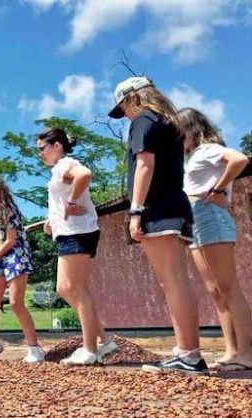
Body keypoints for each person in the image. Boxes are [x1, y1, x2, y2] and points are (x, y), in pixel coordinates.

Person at [108, 77, 207, 374]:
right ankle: (185, 351)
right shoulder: (168, 123)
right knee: (175, 281)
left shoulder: (142, 120)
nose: (124, 113)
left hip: (158, 210)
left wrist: (135, 210)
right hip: (175, 207)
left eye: (123, 106)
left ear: (133, 98)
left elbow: (145, 165)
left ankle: (189, 355)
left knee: (173, 282)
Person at [37, 128, 118, 366]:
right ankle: (104, 339)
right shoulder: (57, 171)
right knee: (64, 289)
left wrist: (71, 203)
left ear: (57, 146)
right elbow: (61, 199)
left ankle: (90, 349)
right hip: (67, 233)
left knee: (77, 288)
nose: (40, 154)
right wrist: (53, 219)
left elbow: (85, 174)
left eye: (42, 148)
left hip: (78, 232)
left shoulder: (66, 164)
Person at [179, 107, 252, 371]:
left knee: (229, 287)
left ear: (191, 130)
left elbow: (240, 159)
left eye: (179, 133)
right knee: (215, 291)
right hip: (197, 220)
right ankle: (232, 351)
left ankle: (247, 353)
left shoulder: (208, 149)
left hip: (210, 216)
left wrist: (218, 189)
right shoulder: (193, 157)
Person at [0, 173, 43, 365]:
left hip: (15, 257)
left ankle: (35, 350)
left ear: (1, 193)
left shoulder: (9, 210)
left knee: (16, 303)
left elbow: (11, 240)